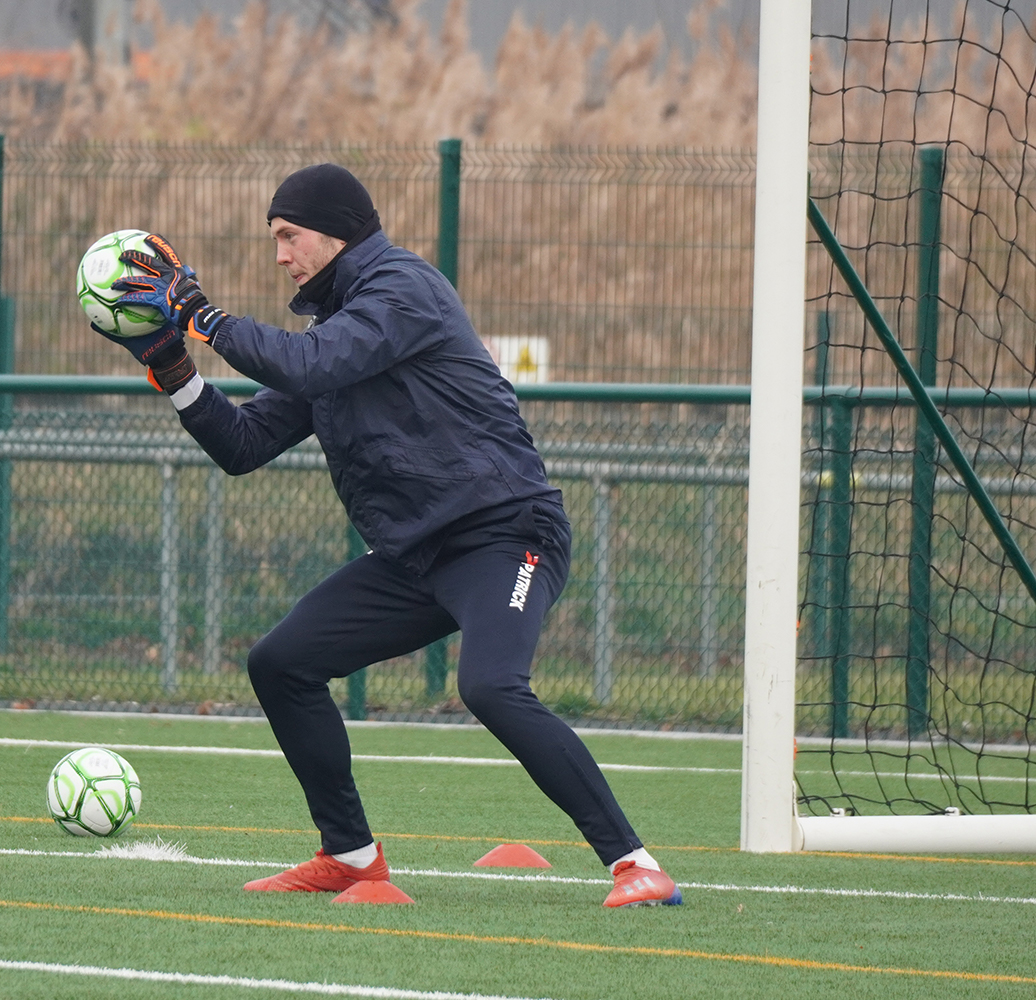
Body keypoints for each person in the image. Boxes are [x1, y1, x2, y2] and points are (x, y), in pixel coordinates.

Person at [99, 163, 681, 908]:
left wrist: (202, 318)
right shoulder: (333, 329)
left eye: (289, 236)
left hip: (506, 534)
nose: (280, 254)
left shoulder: (405, 288)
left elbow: (312, 364)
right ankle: (349, 856)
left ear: (337, 232)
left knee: (491, 686)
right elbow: (242, 445)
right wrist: (173, 366)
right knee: (281, 663)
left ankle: (636, 865)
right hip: (416, 556)